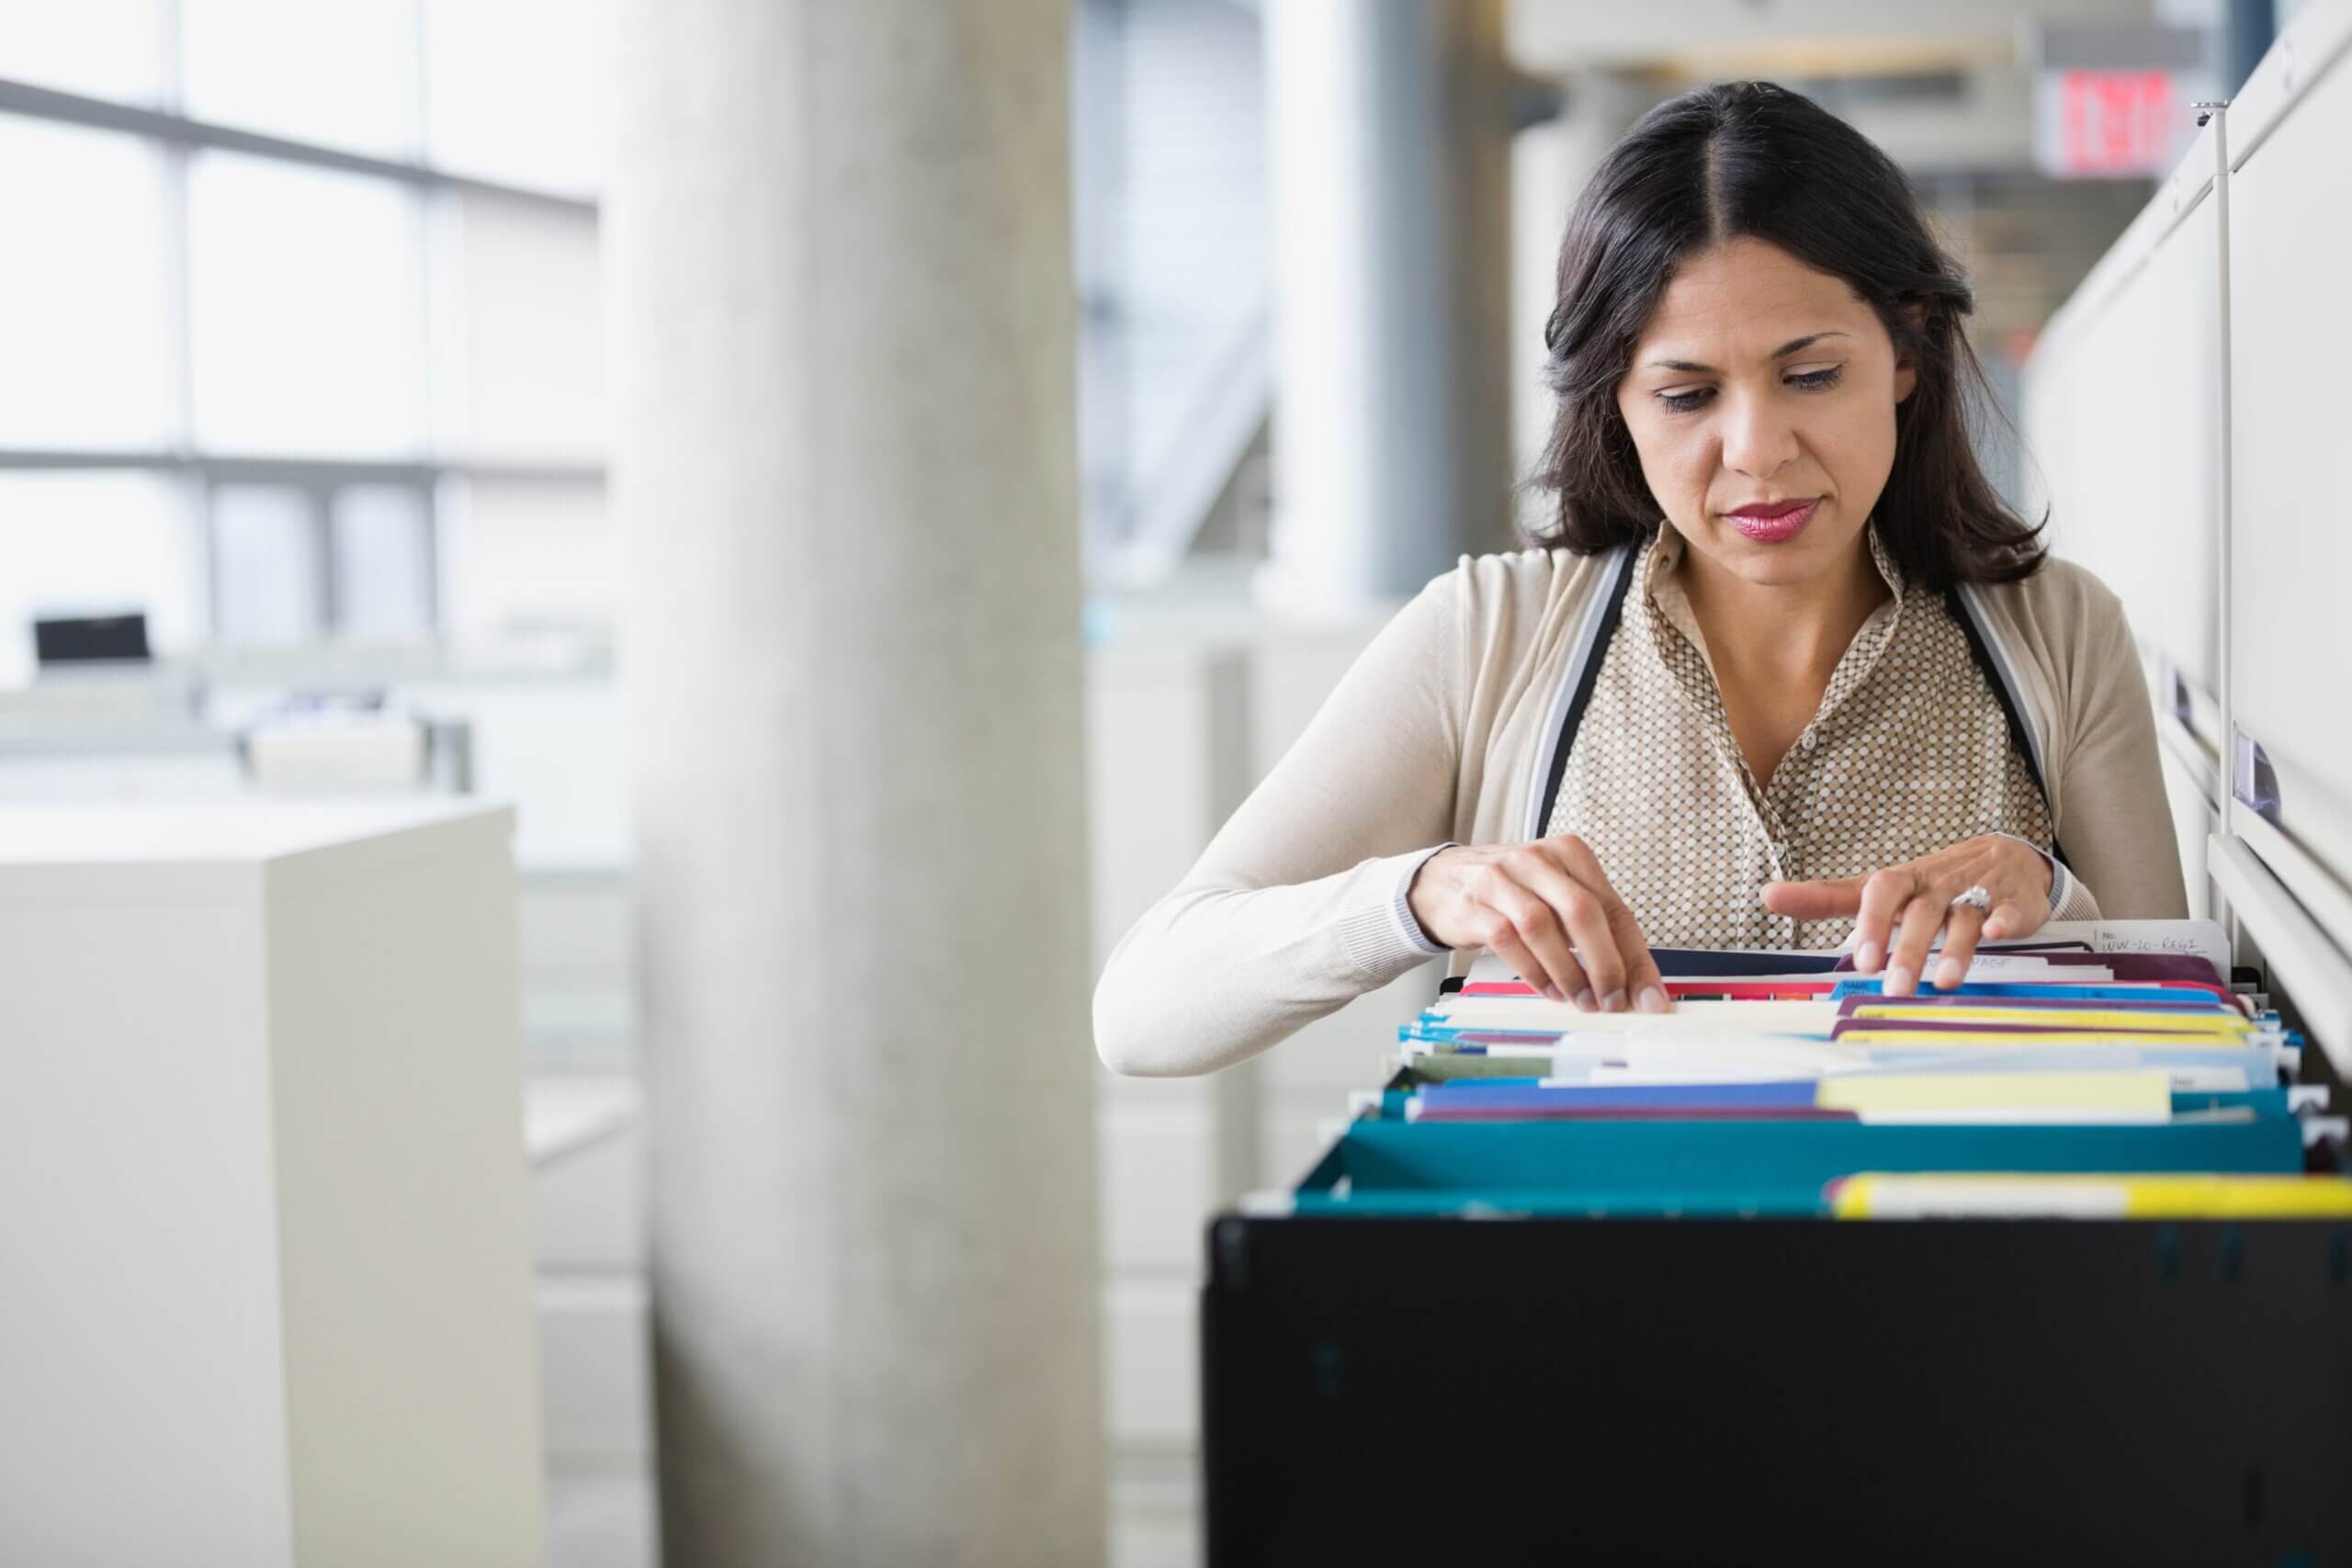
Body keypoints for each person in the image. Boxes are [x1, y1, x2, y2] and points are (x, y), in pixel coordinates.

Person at [1093, 80, 2185, 1078]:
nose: (1756, 449)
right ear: (1610, 399)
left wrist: (2050, 902)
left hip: (1949, 1271)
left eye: (1810, 375)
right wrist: (1421, 895)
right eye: (1685, 395)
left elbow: (2181, 1026)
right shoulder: (1491, 635)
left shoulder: (2058, 633)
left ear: (1905, 355)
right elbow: (1143, 1010)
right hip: (1582, 1281)